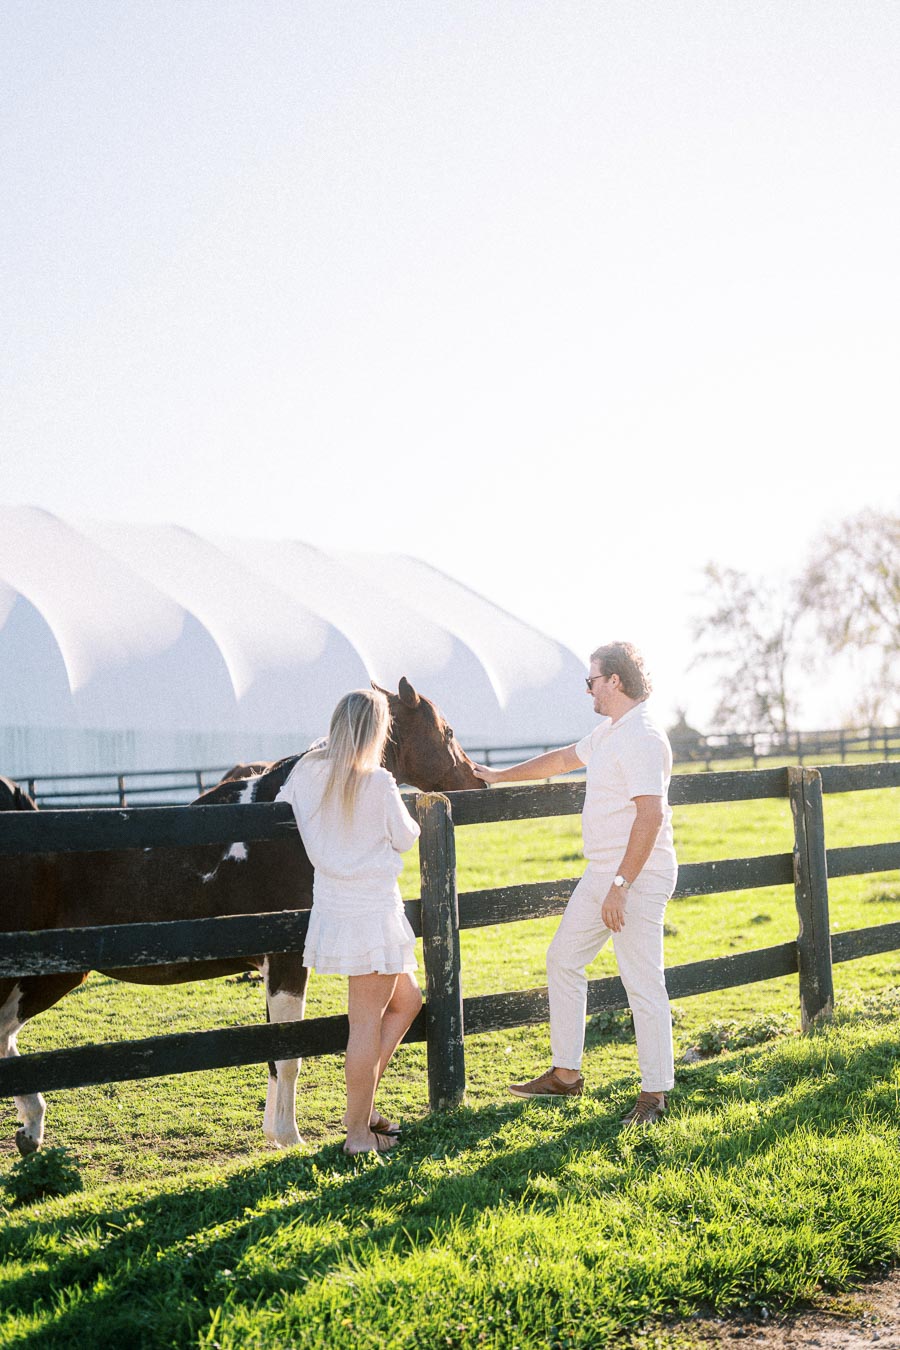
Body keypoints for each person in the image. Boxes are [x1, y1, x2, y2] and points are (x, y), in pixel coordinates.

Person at [473, 641, 677, 1126]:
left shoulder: (643, 735)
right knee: (563, 959)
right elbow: (564, 759)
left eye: (592, 680)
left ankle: (655, 1095)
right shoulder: (610, 732)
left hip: (638, 874)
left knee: (642, 981)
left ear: (616, 682)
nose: (588, 688)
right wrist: (500, 776)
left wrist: (622, 884)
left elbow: (650, 816)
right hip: (604, 871)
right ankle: (566, 1075)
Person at [276, 689, 423, 1154]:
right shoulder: (378, 781)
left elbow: (280, 806)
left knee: (409, 1001)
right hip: (373, 913)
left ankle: (360, 1109)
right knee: (364, 1026)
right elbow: (405, 838)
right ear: (377, 732)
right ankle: (358, 1135)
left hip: (337, 910)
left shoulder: (306, 772)